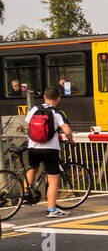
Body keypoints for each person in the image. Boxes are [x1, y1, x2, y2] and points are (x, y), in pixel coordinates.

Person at [24, 87, 73, 219]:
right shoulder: (58, 113)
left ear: (44, 96)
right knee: (53, 179)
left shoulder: (34, 109)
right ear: (58, 98)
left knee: (33, 168)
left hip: (33, 147)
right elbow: (67, 131)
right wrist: (70, 141)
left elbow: (27, 125)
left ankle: (26, 193)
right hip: (50, 149)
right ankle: (51, 209)